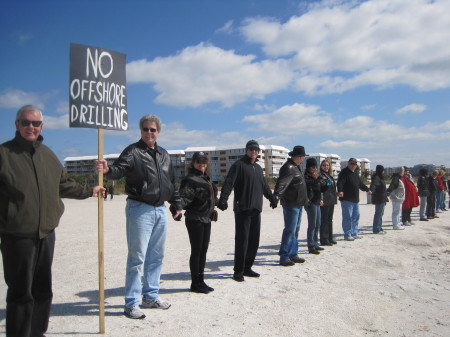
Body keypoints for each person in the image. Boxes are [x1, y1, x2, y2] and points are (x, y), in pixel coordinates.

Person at [0, 105, 105, 337]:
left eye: (35, 123)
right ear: (16, 124)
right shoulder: (4, 154)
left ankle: (37, 332)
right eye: (26, 122)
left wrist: (90, 190)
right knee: (20, 293)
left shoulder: (48, 154)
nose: (31, 127)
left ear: (41, 126)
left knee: (43, 290)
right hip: (17, 236)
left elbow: (64, 184)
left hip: (46, 234)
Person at [95, 114, 180, 319]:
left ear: (158, 132)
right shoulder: (133, 151)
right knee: (137, 258)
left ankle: (150, 296)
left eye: (153, 129)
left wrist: (176, 204)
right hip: (139, 208)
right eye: (145, 129)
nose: (149, 132)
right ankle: (131, 303)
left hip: (160, 209)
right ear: (140, 131)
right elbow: (119, 169)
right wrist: (107, 170)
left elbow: (171, 182)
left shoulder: (164, 154)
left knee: (156, 256)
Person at [217, 140, 277, 282]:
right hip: (242, 208)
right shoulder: (239, 165)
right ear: (246, 150)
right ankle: (238, 271)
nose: (253, 152)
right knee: (242, 240)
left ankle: (247, 267)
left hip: (256, 208)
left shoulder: (257, 167)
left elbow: (264, 187)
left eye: (256, 150)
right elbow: (229, 183)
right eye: (251, 149)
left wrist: (272, 198)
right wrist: (223, 199)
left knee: (254, 241)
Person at [171, 152, 218, 293]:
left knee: (203, 250)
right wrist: (177, 208)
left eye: (204, 162)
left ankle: (201, 280)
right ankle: (195, 283)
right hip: (195, 218)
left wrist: (218, 203)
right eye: (199, 161)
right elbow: (183, 197)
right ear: (193, 163)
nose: (202, 164)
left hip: (206, 218)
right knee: (197, 251)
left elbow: (209, 197)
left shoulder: (204, 178)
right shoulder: (190, 179)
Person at [272, 146, 308, 266]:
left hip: (298, 203)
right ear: (299, 157)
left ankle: (293, 254)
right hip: (291, 203)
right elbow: (282, 183)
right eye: (302, 156)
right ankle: (284, 256)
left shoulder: (296, 167)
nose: (303, 158)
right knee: (290, 230)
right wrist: (276, 196)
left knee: (295, 230)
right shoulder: (289, 167)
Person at [336, 158, 370, 241]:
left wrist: (367, 189)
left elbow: (360, 184)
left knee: (356, 216)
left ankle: (354, 233)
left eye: (355, 164)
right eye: (351, 164)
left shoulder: (355, 173)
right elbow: (340, 182)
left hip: (355, 200)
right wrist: (340, 190)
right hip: (346, 199)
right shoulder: (344, 172)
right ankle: (347, 234)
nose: (353, 165)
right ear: (348, 163)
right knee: (347, 217)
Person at [304, 158, 328, 254]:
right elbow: (308, 184)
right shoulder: (306, 176)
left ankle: (315, 243)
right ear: (308, 167)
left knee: (318, 224)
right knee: (312, 225)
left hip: (317, 202)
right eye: (313, 167)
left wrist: (325, 184)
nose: (315, 169)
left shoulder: (316, 176)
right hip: (311, 202)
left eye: (315, 167)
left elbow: (321, 189)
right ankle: (311, 245)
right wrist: (317, 181)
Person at [319, 159, 338, 245]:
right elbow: (321, 189)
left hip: (331, 200)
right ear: (321, 166)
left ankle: (330, 237)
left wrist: (337, 194)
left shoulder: (329, 175)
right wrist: (321, 199)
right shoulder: (320, 175)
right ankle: (324, 239)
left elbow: (332, 188)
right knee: (324, 220)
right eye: (324, 165)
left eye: (327, 165)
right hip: (325, 200)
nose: (326, 167)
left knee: (330, 220)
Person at [369, 165, 388, 234]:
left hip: (382, 198)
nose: (383, 172)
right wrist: (371, 190)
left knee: (381, 213)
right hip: (379, 198)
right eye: (382, 170)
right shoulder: (377, 177)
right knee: (378, 213)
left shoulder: (380, 177)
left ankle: (379, 227)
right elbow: (373, 185)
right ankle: (376, 229)